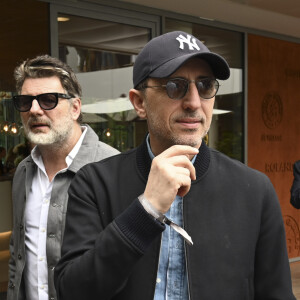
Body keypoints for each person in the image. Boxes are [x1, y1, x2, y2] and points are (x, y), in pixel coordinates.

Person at [54, 31, 295, 299]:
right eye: (174, 86)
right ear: (139, 103)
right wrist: (145, 211)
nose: (194, 103)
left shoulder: (255, 190)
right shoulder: (95, 183)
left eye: (205, 86)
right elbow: (73, 290)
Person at [7, 55, 119, 300]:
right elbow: (18, 256)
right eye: (26, 101)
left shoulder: (113, 169)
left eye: (48, 100)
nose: (34, 110)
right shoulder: (24, 172)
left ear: (75, 108)